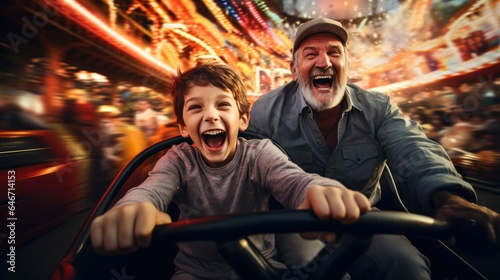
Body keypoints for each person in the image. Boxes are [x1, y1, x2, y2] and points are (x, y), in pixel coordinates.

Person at [247, 17, 500, 279]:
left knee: (407, 266)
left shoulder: (379, 107)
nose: (324, 62)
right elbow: (248, 170)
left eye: (334, 52)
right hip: (296, 223)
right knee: (314, 270)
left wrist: (449, 198)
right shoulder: (266, 111)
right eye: (311, 55)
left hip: (364, 218)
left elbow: (413, 148)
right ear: (294, 69)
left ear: (346, 65)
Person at [90, 63, 372, 279]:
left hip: (261, 266)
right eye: (196, 107)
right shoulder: (178, 159)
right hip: (195, 272)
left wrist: (320, 190)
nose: (211, 115)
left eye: (222, 104)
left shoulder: (259, 153)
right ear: (184, 127)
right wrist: (134, 207)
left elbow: (294, 180)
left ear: (243, 119)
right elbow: (151, 190)